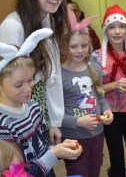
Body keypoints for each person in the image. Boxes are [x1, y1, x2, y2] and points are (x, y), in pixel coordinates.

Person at [0, 0, 70, 145]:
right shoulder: (13, 26)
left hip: (41, 108)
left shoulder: (50, 20)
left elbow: (52, 74)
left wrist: (55, 120)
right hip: (17, 116)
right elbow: (7, 85)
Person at [0, 29, 82, 177]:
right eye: (19, 85)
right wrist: (54, 154)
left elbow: (41, 149)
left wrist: (59, 149)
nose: (28, 88)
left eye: (31, 80)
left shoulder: (33, 107)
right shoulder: (3, 124)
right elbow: (18, 174)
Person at [91, 5, 126, 177]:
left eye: (121, 27)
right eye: (112, 27)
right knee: (116, 158)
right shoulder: (96, 56)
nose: (117, 32)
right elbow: (94, 89)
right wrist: (113, 86)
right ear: (105, 30)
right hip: (109, 113)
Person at [61, 10, 113, 177]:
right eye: (73, 46)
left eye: (83, 46)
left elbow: (100, 95)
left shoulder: (94, 67)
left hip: (97, 134)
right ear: (64, 46)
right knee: (78, 173)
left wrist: (106, 110)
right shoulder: (58, 75)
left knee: (94, 171)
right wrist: (78, 121)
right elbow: (53, 114)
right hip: (73, 137)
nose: (79, 50)